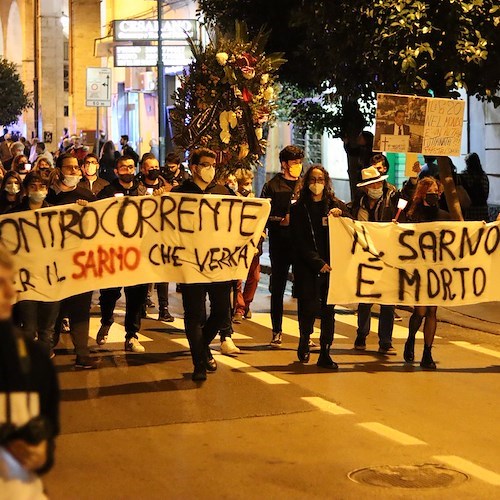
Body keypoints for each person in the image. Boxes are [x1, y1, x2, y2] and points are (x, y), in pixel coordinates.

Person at [0, 247, 59, 496]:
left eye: (10, 282)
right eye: (0, 284)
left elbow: (49, 432)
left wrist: (40, 456)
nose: (11, 292)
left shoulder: (35, 359)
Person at [171, 148, 233, 381]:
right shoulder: (179, 194)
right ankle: (199, 363)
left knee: (221, 312)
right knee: (194, 314)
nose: (210, 169)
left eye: (213, 164)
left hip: (218, 264)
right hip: (190, 264)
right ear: (194, 168)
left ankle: (201, 347)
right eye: (205, 164)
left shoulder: (223, 192)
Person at [290, 165, 350, 369]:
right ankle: (304, 338)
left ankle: (325, 351)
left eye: (321, 180)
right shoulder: (298, 208)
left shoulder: (334, 204)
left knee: (328, 311)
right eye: (313, 180)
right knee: (307, 308)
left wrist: (341, 215)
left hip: (331, 268)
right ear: (307, 182)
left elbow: (351, 228)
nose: (317, 184)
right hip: (308, 267)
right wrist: (317, 262)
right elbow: (298, 241)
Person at [47, 153, 99, 369]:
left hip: (80, 264)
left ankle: (82, 353)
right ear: (58, 171)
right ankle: (47, 347)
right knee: (53, 309)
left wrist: (88, 210)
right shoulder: (48, 196)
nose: (74, 171)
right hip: (53, 264)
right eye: (69, 168)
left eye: (76, 168)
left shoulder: (86, 195)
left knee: (80, 309)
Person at [96, 155, 149, 353]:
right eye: (123, 168)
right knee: (109, 292)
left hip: (137, 252)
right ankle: (106, 321)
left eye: (130, 167)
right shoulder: (107, 192)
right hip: (113, 251)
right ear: (117, 171)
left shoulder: (143, 192)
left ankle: (132, 335)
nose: (128, 171)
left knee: (136, 295)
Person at [404, 176, 451, 369]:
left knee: (432, 310)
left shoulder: (444, 216)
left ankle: (427, 352)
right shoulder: (412, 215)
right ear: (423, 192)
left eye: (437, 191)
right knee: (420, 311)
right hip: (418, 270)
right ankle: (411, 338)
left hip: (436, 270)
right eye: (431, 191)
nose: (435, 194)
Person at [351, 166, 399, 355]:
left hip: (388, 257)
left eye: (378, 182)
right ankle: (361, 334)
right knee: (365, 299)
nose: (376, 186)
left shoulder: (392, 200)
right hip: (366, 257)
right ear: (364, 187)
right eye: (371, 184)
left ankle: (385, 341)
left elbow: (409, 202)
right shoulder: (357, 204)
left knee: (388, 300)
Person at [11, 172, 60, 359]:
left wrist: (81, 209)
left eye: (42, 186)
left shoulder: (57, 214)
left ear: (47, 190)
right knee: (29, 327)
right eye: (33, 186)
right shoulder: (14, 216)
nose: (37, 190)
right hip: (25, 280)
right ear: (25, 190)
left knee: (47, 328)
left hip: (51, 279)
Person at [261, 145, 304, 348]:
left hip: (301, 244)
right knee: (277, 289)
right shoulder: (272, 186)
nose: (298, 166)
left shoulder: (305, 186)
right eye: (294, 162)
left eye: (300, 162)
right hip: (279, 244)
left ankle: (306, 332)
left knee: (305, 289)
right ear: (285, 164)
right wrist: (279, 220)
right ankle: (276, 330)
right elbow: (262, 215)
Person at [138, 152, 175, 322]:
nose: (154, 170)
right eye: (150, 167)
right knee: (144, 272)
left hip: (162, 235)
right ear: (143, 170)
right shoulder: (137, 188)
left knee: (163, 274)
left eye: (156, 167)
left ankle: (164, 309)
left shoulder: (166, 186)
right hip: (143, 236)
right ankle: (140, 305)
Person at [458, 152, 490, 221]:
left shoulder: (463, 175)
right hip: (483, 210)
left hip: (470, 210)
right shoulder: (484, 175)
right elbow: (486, 193)